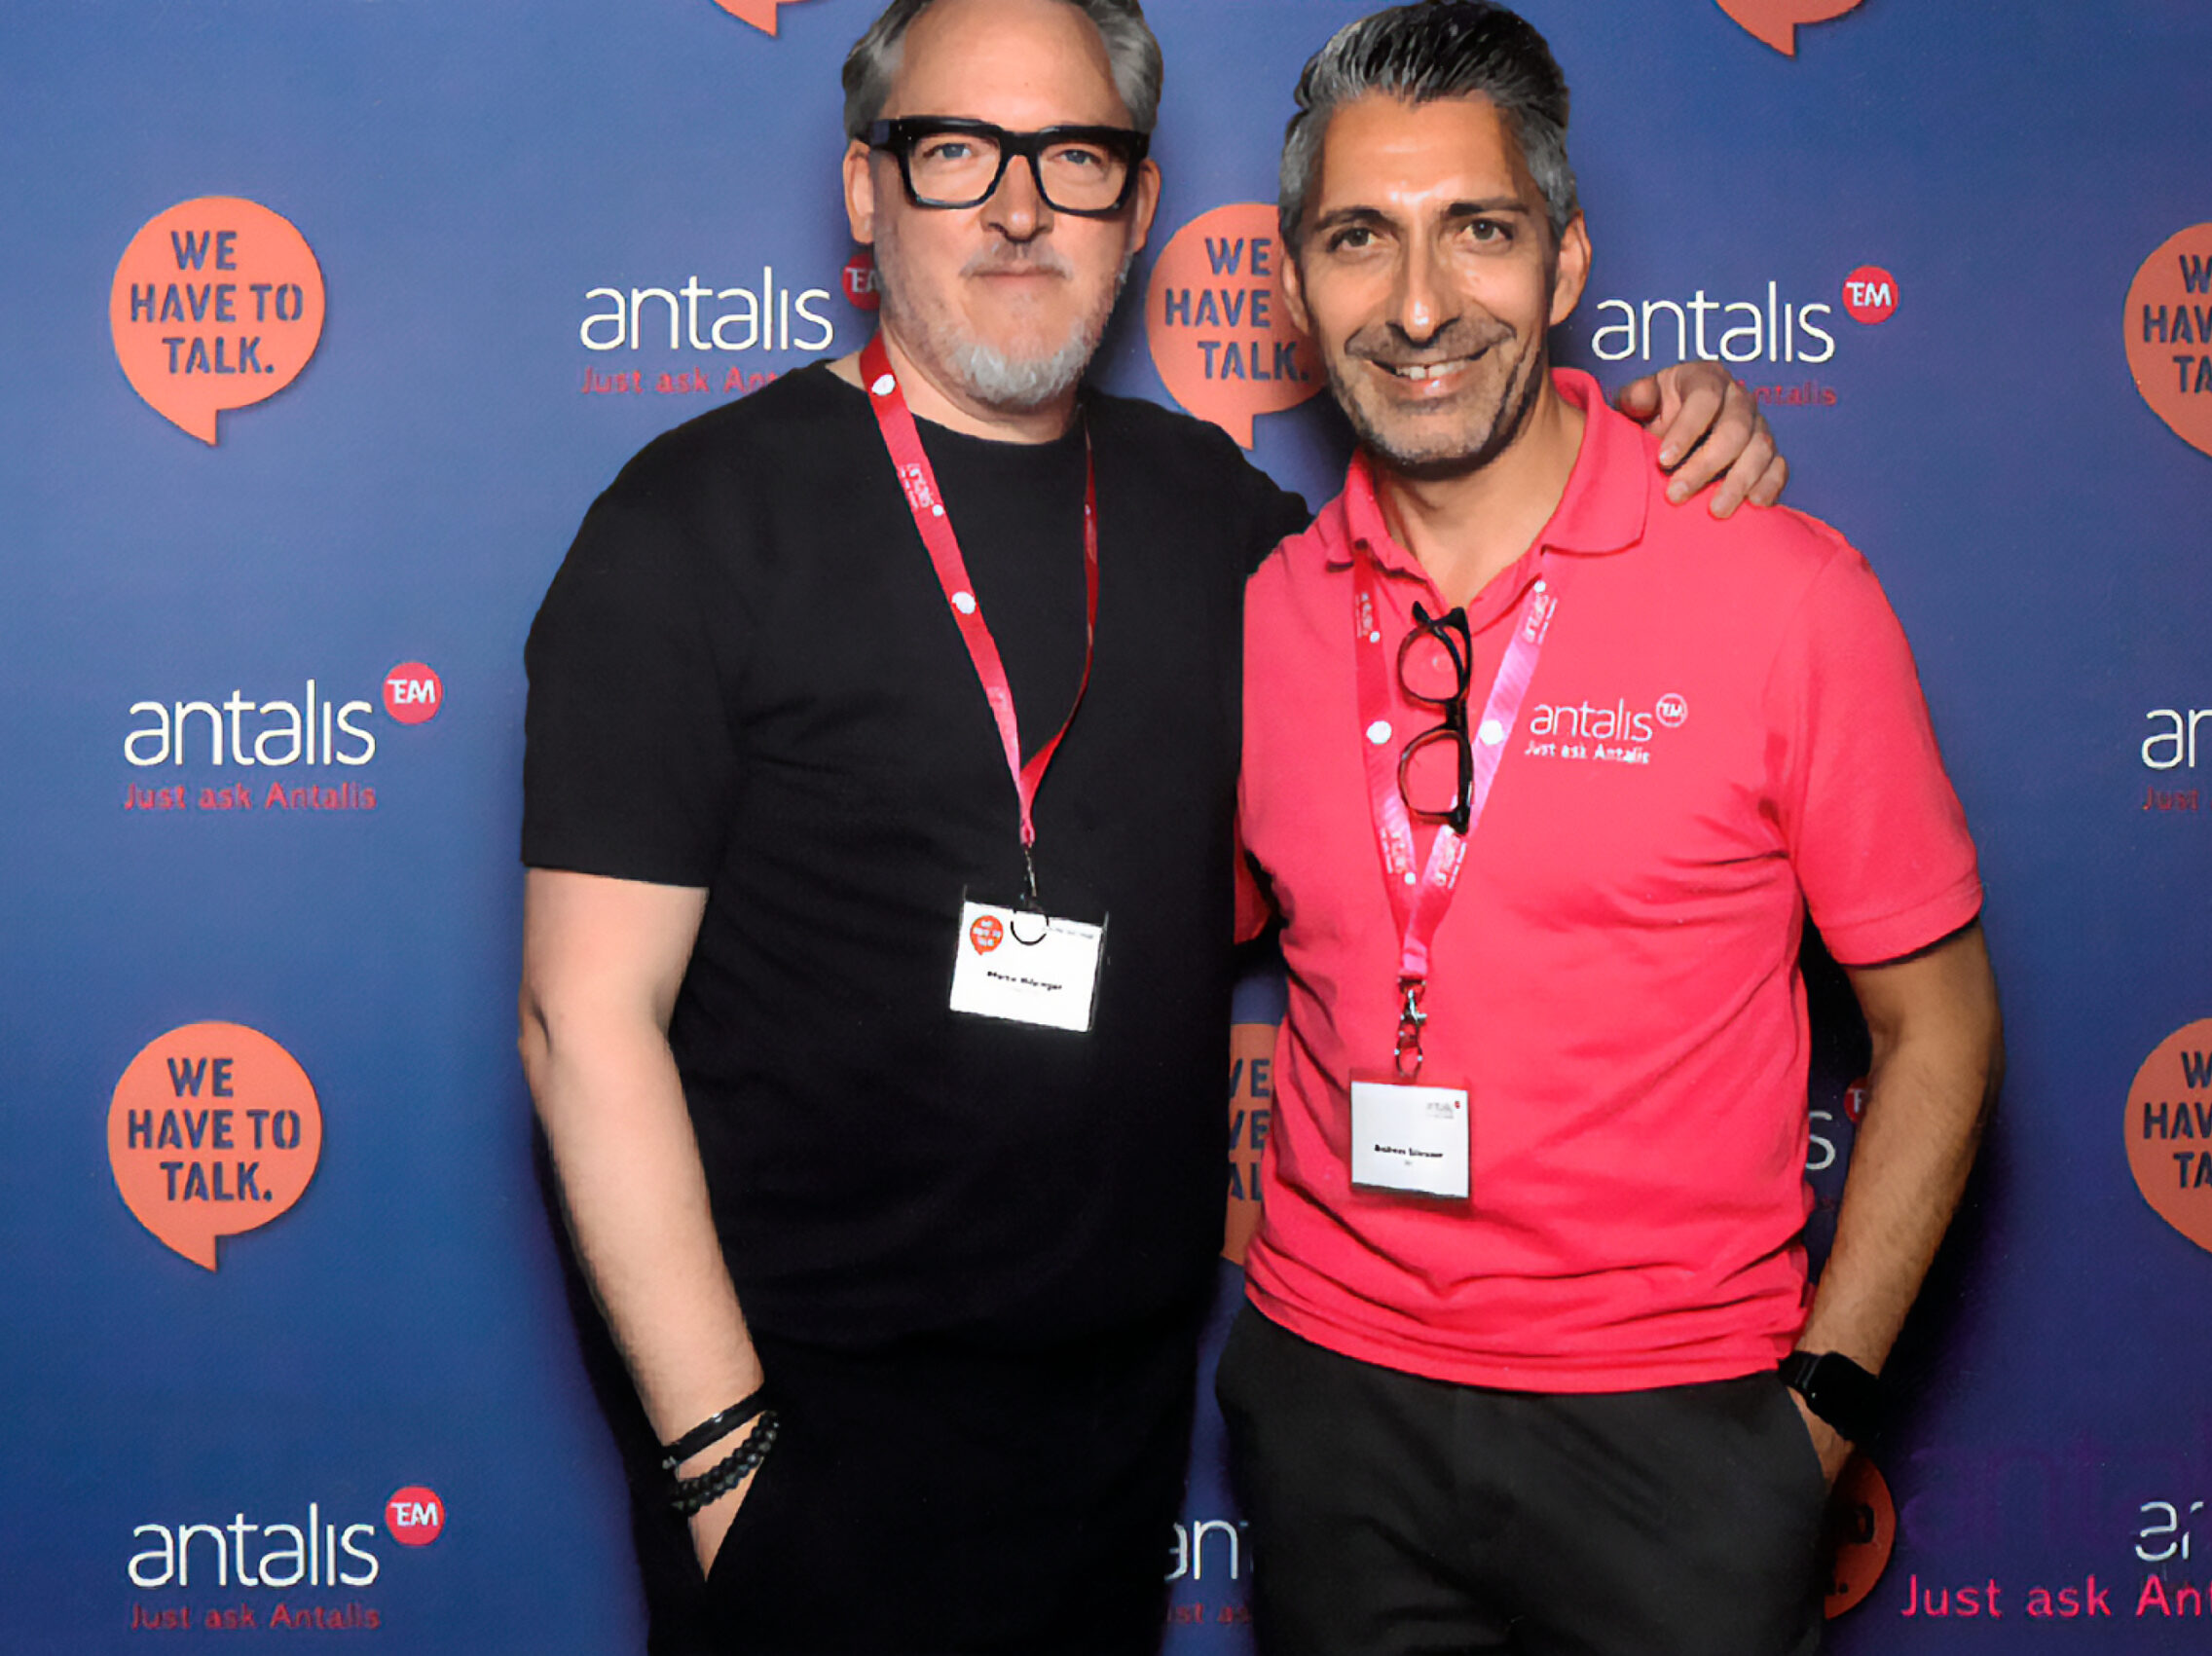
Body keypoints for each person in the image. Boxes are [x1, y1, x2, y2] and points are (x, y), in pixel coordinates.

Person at [517, 0, 1783, 1650]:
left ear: (1138, 205)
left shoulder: (1225, 522)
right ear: (864, 187)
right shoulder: (690, 523)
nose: (1018, 206)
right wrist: (723, 1458)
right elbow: (582, 1017)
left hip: (1111, 1442)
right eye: (956, 150)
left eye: (1076, 156)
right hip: (798, 1426)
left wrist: (1666, 429)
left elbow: (1481, 554)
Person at [1220, 5, 2005, 1654]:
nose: (1418, 304)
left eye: (1478, 230)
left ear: (1566, 259)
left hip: (1678, 1440)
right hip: (1334, 1411)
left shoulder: (1784, 593)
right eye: (1360, 239)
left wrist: (1813, 1419)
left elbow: (1940, 1028)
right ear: (1291, 287)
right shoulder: (1261, 613)